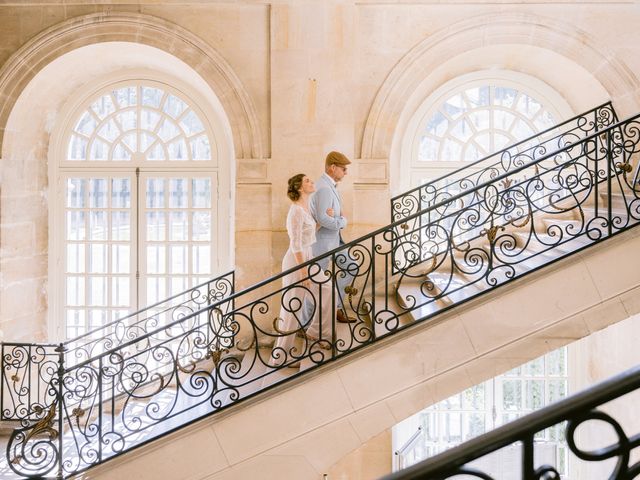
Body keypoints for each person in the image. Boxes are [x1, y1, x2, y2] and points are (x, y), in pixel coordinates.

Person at [269, 174, 333, 368]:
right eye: (307, 181)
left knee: (327, 288)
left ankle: (316, 332)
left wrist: (324, 220)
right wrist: (303, 273)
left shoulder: (305, 207)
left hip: (307, 257)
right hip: (297, 262)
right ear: (298, 187)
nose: (311, 182)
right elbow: (296, 244)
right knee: (292, 308)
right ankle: (280, 357)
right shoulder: (295, 211)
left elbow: (308, 233)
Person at [309, 151, 357, 323]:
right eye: (343, 169)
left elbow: (328, 215)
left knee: (351, 266)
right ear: (332, 167)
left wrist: (336, 218)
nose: (346, 172)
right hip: (323, 244)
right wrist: (342, 221)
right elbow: (322, 218)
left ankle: (335, 307)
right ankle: (305, 323)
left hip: (335, 242)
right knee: (315, 284)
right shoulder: (323, 188)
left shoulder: (330, 186)